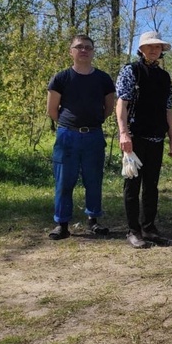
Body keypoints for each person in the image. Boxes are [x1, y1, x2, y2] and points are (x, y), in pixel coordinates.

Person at [46, 35, 116, 240]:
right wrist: (71, 125)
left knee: (93, 180)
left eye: (88, 47)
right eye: (79, 47)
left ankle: (93, 220)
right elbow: (52, 110)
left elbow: (109, 108)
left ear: (93, 52)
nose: (83, 50)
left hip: (93, 136)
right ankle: (62, 224)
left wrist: (89, 124)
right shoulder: (61, 78)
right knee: (64, 181)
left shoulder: (103, 79)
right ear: (71, 51)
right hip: (67, 136)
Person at [115, 30, 172, 249]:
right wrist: (123, 133)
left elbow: (168, 108)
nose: (154, 50)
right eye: (150, 46)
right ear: (141, 49)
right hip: (134, 137)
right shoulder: (130, 71)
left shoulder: (164, 76)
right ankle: (133, 231)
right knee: (132, 185)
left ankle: (149, 228)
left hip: (156, 137)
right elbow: (121, 104)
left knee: (151, 185)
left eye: (158, 47)